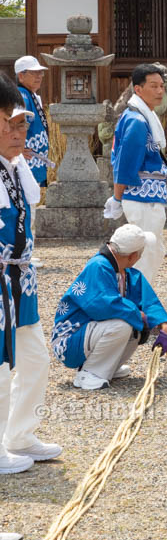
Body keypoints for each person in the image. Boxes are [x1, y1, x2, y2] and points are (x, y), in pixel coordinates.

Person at [0, 88, 61, 471]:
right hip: (2, 277)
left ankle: (20, 434)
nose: (18, 132)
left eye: (22, 124)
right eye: (10, 124)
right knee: (1, 367)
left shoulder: (18, 166)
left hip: (23, 276)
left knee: (36, 357)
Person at [51, 224, 167, 391]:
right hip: (70, 341)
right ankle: (90, 373)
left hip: (89, 334)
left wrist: (163, 326)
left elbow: (147, 300)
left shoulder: (126, 272)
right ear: (133, 256)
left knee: (133, 323)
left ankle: (108, 367)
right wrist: (140, 316)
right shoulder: (98, 266)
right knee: (124, 323)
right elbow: (103, 305)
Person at [104, 64, 167, 285]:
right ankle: (138, 300)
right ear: (138, 89)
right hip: (142, 196)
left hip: (148, 195)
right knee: (145, 251)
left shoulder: (142, 116)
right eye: (153, 86)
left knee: (153, 249)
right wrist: (117, 197)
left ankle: (140, 297)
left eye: (162, 86)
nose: (160, 91)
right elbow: (125, 164)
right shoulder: (137, 120)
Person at [15, 54, 50, 268]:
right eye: (34, 73)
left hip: (34, 162)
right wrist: (19, 147)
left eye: (40, 73)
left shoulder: (32, 95)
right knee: (26, 206)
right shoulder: (22, 96)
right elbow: (17, 123)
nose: (39, 76)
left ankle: (27, 252)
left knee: (30, 206)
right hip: (25, 162)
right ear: (21, 75)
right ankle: (24, 254)